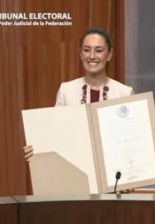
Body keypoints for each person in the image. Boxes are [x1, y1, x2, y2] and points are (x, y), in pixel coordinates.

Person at [23, 28, 134, 159]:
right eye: (86, 50)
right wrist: (37, 150)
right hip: (75, 169)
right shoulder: (66, 90)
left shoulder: (125, 93)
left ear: (109, 55)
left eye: (99, 50)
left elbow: (131, 140)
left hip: (112, 169)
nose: (92, 56)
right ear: (81, 54)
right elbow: (55, 133)